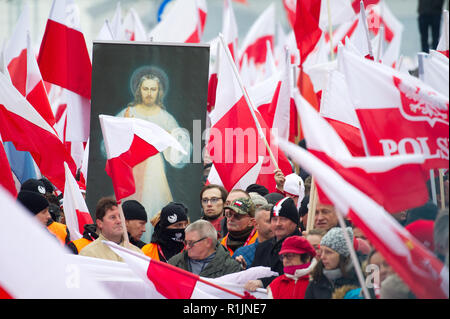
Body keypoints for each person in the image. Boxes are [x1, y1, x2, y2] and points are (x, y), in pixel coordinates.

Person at [115, 66, 191, 243]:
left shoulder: (165, 117)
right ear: (139, 90)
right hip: (132, 168)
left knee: (153, 201)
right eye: (145, 88)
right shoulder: (129, 113)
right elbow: (109, 143)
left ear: (159, 92)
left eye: (153, 89)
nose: (149, 93)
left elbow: (179, 149)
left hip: (155, 171)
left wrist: (174, 137)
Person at [245, 197, 302, 291]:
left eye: (283, 219)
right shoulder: (262, 247)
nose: (278, 224)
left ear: (294, 222)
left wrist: (263, 282)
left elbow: (296, 277)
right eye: (274, 219)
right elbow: (253, 275)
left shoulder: (302, 248)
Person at [168, 220, 242, 278]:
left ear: (208, 242)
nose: (187, 247)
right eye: (185, 242)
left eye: (191, 243)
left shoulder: (230, 268)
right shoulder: (174, 263)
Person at [79, 197, 143, 262]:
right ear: (100, 223)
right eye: (112, 217)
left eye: (120, 216)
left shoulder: (137, 253)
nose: (119, 221)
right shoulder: (88, 254)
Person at [305, 227, 360, 299]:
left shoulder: (360, 280)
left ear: (343, 255)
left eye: (328, 252)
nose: (322, 257)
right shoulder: (317, 280)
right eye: (321, 251)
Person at [233, 204, 274, 268]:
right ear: (256, 224)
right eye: (269, 221)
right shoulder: (242, 254)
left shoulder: (285, 249)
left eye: (276, 220)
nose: (275, 224)